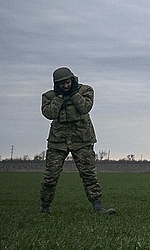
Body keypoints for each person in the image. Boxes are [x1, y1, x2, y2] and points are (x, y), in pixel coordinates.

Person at [39, 67, 114, 214]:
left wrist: (73, 94)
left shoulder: (85, 91)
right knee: (50, 176)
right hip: (58, 141)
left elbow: (85, 107)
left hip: (82, 140)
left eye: (68, 82)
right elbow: (49, 113)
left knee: (89, 175)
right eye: (62, 84)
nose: (66, 86)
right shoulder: (49, 96)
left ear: (72, 80)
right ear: (56, 84)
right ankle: (44, 208)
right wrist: (59, 98)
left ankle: (98, 206)